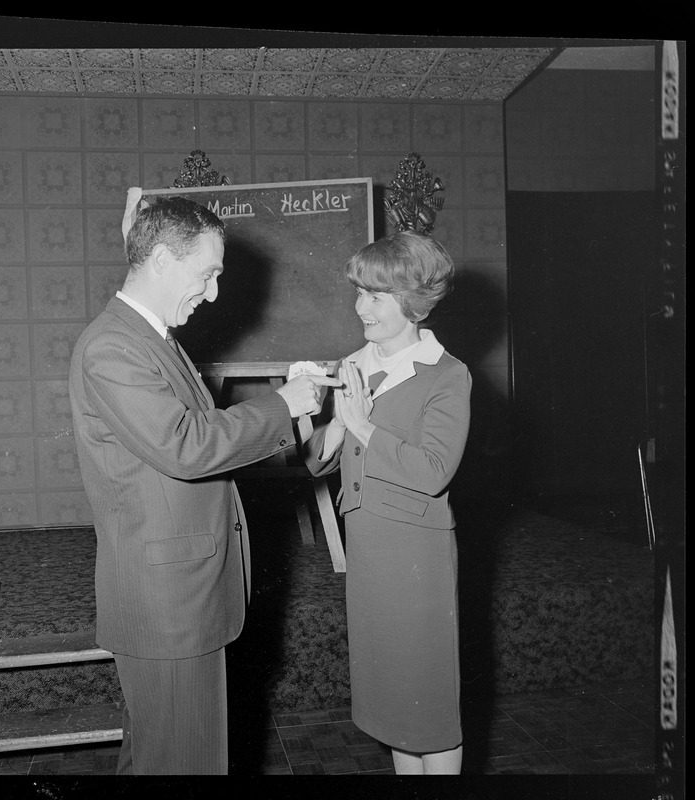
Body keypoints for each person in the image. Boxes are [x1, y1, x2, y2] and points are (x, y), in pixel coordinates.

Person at [69, 193, 340, 775]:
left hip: (180, 593)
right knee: (185, 763)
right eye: (207, 274)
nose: (214, 293)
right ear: (163, 261)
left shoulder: (149, 337)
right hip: (169, 603)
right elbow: (186, 446)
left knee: (160, 758)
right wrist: (282, 407)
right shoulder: (114, 346)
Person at [303, 230, 471, 775]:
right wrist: (321, 413)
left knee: (429, 704)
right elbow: (317, 461)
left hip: (414, 553)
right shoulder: (355, 363)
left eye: (375, 296)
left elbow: (433, 471)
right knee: (395, 703)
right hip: (369, 549)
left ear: (413, 301)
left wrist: (363, 426)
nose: (360, 307)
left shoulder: (447, 375)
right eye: (359, 292)